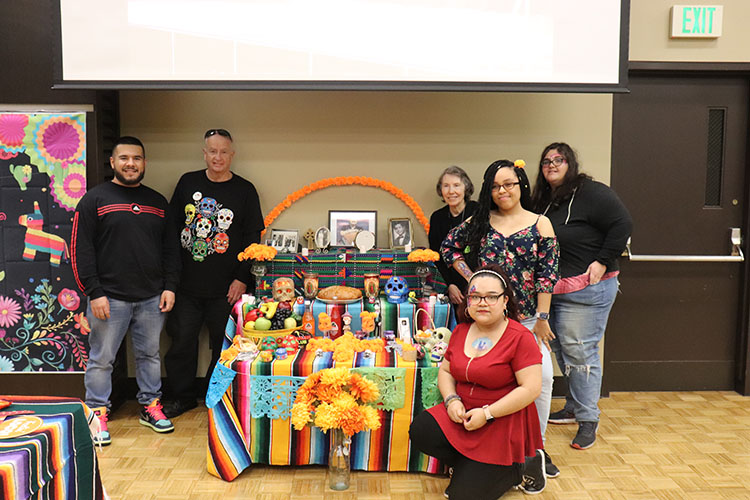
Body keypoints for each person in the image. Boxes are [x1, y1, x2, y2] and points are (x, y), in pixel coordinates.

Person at [440, 159, 560, 489]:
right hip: (488, 320)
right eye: (495, 186)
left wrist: (543, 319)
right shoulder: (481, 221)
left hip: (529, 319)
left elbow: (547, 275)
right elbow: (448, 248)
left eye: (508, 184)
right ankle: (495, 448)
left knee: (543, 380)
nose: (502, 191)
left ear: (521, 184)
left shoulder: (540, 224)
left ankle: (534, 448)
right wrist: (474, 281)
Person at [72, 136, 179, 445]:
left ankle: (150, 406)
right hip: (109, 298)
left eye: (137, 158)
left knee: (149, 355)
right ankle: (96, 414)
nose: (131, 163)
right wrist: (94, 292)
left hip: (151, 297)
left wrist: (170, 286)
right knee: (102, 359)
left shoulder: (158, 203)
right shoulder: (94, 200)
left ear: (144, 163)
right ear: (113, 163)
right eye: (124, 158)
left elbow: (171, 250)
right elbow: (81, 250)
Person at [409, 265, 544, 500]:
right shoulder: (461, 330)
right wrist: (451, 401)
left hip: (501, 420)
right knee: (421, 430)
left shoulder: (520, 337)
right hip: (464, 415)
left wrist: (488, 413)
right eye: (475, 296)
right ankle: (470, 465)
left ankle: (517, 467)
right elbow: (446, 371)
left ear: (505, 301)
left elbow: (531, 389)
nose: (482, 302)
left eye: (491, 297)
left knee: (462, 496)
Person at [531, 142, 632, 450]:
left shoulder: (591, 192)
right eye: (546, 161)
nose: (551, 165)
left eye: (558, 159)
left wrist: (603, 260)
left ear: (570, 163)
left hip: (588, 289)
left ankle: (589, 421)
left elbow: (622, 224)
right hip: (557, 289)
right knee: (564, 352)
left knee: (580, 353)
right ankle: (575, 407)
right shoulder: (546, 200)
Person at [163, 128, 265, 418]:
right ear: (204, 153)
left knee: (225, 345)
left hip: (228, 287)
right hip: (186, 285)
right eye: (212, 151)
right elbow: (171, 230)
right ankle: (181, 397)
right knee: (181, 343)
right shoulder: (187, 182)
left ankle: (216, 396)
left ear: (232, 155)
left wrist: (242, 277)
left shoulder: (245, 190)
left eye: (223, 152)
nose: (217, 157)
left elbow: (253, 238)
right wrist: (171, 278)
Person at [428, 166, 478, 305]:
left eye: (456, 185)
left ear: (466, 188)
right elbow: (436, 256)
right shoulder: (437, 218)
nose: (451, 191)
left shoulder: (478, 211)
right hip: (451, 286)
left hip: (479, 281)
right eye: (446, 186)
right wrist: (449, 285)